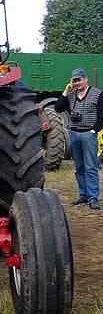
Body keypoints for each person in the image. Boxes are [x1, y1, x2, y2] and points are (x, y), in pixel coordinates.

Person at [55, 68, 103, 210]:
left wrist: (94, 130)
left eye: (79, 80)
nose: (77, 83)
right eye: (74, 80)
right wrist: (66, 90)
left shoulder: (97, 94)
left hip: (89, 134)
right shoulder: (71, 95)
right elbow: (58, 108)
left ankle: (93, 198)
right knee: (79, 167)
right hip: (74, 134)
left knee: (91, 167)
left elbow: (102, 115)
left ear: (85, 79)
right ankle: (83, 195)